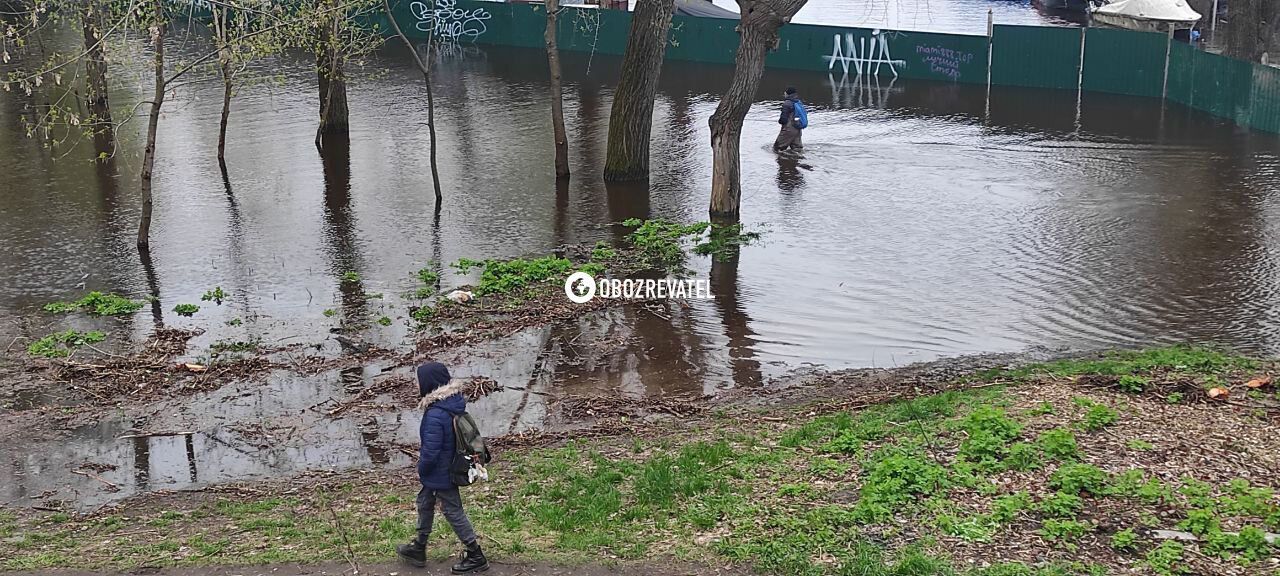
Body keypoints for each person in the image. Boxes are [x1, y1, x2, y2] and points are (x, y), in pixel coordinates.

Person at [396, 362, 489, 574]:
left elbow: (430, 452)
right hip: (446, 469)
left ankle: (476, 555)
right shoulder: (452, 404)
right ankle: (419, 547)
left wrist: (422, 469)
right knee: (425, 502)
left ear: (428, 383)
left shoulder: (435, 414)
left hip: (441, 473)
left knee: (452, 511)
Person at [773, 87, 804, 152]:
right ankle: (796, 161)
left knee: (777, 149)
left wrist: (780, 121)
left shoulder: (787, 103)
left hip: (789, 130)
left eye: (785, 92)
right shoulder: (798, 102)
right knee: (797, 150)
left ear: (787, 93)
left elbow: (783, 119)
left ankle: (783, 160)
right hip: (798, 129)